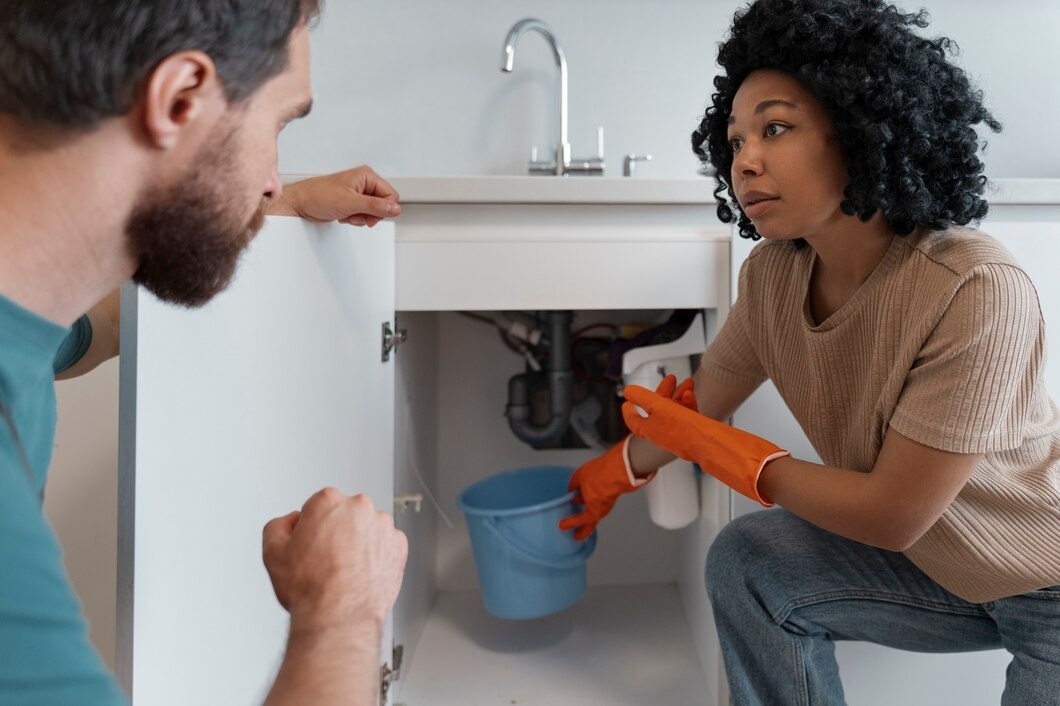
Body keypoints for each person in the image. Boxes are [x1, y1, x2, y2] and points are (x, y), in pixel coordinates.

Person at [560, 1, 1060, 703]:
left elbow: (893, 514)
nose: (746, 161)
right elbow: (700, 406)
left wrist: (727, 454)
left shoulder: (973, 284)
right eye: (734, 142)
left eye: (776, 127)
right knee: (750, 561)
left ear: (860, 132)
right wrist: (610, 474)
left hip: (1050, 582)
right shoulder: (772, 277)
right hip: (938, 570)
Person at [0, 2, 408, 705]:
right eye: (277, 124)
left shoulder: (26, 325)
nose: (274, 178)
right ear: (180, 97)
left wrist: (277, 211)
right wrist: (341, 611)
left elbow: (90, 330)